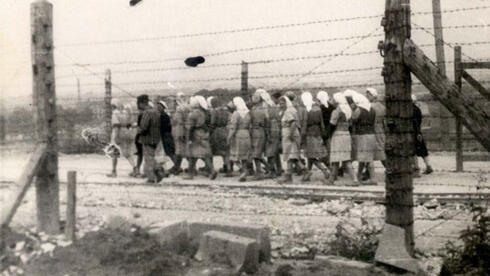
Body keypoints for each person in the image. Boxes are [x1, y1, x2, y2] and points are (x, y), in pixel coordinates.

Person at [325, 93, 359, 186]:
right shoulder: (348, 111)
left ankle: (355, 180)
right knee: (341, 158)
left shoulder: (336, 111)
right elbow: (351, 125)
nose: (332, 101)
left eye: (333, 99)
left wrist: (327, 135)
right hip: (346, 134)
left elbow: (332, 125)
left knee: (342, 159)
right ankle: (331, 179)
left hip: (338, 135)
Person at [183, 96, 217, 180]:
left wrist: (188, 138)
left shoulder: (193, 114)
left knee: (191, 155)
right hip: (203, 133)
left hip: (195, 135)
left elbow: (189, 127)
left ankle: (190, 174)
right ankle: (212, 170)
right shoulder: (204, 112)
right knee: (205, 155)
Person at [301, 92, 330, 183]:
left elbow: (305, 124)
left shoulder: (307, 110)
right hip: (318, 133)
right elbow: (321, 123)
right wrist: (322, 133)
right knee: (312, 154)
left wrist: (302, 135)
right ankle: (308, 174)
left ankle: (325, 171)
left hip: (309, 134)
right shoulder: (318, 108)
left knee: (311, 155)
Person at [277, 96, 306, 184]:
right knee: (292, 156)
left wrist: (290, 135)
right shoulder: (291, 110)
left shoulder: (288, 112)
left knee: (290, 155)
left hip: (289, 133)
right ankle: (305, 171)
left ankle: (288, 176)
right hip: (290, 133)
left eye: (282, 103)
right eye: (280, 103)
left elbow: (293, 123)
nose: (281, 105)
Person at [351, 92, 377, 185]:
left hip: (362, 135)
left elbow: (352, 120)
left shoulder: (358, 110)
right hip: (371, 134)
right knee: (364, 157)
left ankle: (373, 178)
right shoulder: (372, 110)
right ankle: (358, 177)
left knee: (366, 158)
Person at [137, 94, 162, 184]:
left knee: (148, 158)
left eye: (139, 103)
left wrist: (137, 130)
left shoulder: (146, 113)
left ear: (142, 103)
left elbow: (143, 127)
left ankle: (152, 177)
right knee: (152, 156)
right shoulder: (156, 112)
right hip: (156, 138)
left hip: (147, 138)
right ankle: (159, 171)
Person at [107, 103, 137, 177]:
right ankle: (135, 169)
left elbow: (116, 125)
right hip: (127, 133)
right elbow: (131, 124)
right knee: (127, 153)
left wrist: (116, 137)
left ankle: (114, 171)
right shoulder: (126, 113)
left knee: (114, 152)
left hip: (119, 133)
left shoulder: (115, 114)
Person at [228, 97, 252, 182]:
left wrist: (229, 137)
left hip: (238, 135)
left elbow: (233, 127)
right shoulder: (248, 113)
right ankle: (244, 171)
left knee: (234, 155)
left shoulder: (236, 114)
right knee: (244, 156)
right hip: (246, 134)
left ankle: (243, 171)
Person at [364, 88, 386, 180]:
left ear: (373, 96)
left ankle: (369, 173)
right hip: (380, 129)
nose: (367, 96)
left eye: (368, 95)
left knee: (370, 151)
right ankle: (367, 172)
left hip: (372, 130)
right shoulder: (382, 106)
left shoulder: (370, 106)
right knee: (380, 150)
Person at [250, 90, 271, 180]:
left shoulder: (254, 110)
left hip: (257, 131)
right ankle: (269, 168)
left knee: (256, 153)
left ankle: (259, 172)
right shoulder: (263, 109)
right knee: (257, 153)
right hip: (261, 131)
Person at [208, 96, 232, 177]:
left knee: (213, 150)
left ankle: (210, 169)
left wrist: (209, 132)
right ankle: (228, 169)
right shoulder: (226, 111)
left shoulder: (214, 112)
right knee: (226, 152)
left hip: (217, 132)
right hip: (225, 130)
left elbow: (212, 123)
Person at [260, 90, 282, 178]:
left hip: (270, 128)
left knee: (270, 151)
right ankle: (278, 169)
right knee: (275, 151)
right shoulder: (274, 105)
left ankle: (272, 171)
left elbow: (266, 119)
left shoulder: (266, 105)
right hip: (276, 127)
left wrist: (267, 132)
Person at [411, 94, 433, 177]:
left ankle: (416, 170)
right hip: (418, 131)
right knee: (422, 149)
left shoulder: (409, 110)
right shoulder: (417, 109)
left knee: (412, 151)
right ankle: (428, 166)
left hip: (412, 132)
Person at [171, 92, 189, 175]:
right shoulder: (188, 107)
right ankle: (177, 167)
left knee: (179, 151)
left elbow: (179, 121)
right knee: (184, 150)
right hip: (186, 131)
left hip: (179, 131)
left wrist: (181, 133)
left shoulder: (179, 109)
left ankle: (176, 167)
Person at [156, 100, 177, 171]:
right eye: (157, 106)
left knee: (170, 151)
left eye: (159, 107)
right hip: (165, 135)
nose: (158, 108)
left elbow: (163, 127)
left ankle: (177, 166)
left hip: (166, 135)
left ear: (163, 107)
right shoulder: (163, 115)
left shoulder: (164, 116)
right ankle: (176, 166)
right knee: (169, 152)